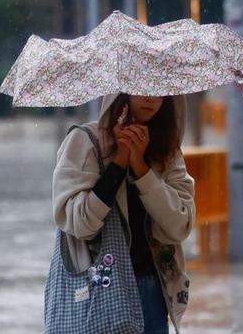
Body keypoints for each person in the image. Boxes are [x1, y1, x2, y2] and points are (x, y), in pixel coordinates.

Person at [52, 94, 194, 334]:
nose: (150, 98)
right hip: (97, 290)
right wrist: (118, 162)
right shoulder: (85, 142)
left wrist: (141, 169)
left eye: (159, 90)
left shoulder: (168, 152)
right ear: (121, 92)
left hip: (150, 291)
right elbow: (79, 224)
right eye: (140, 87)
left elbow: (179, 226)